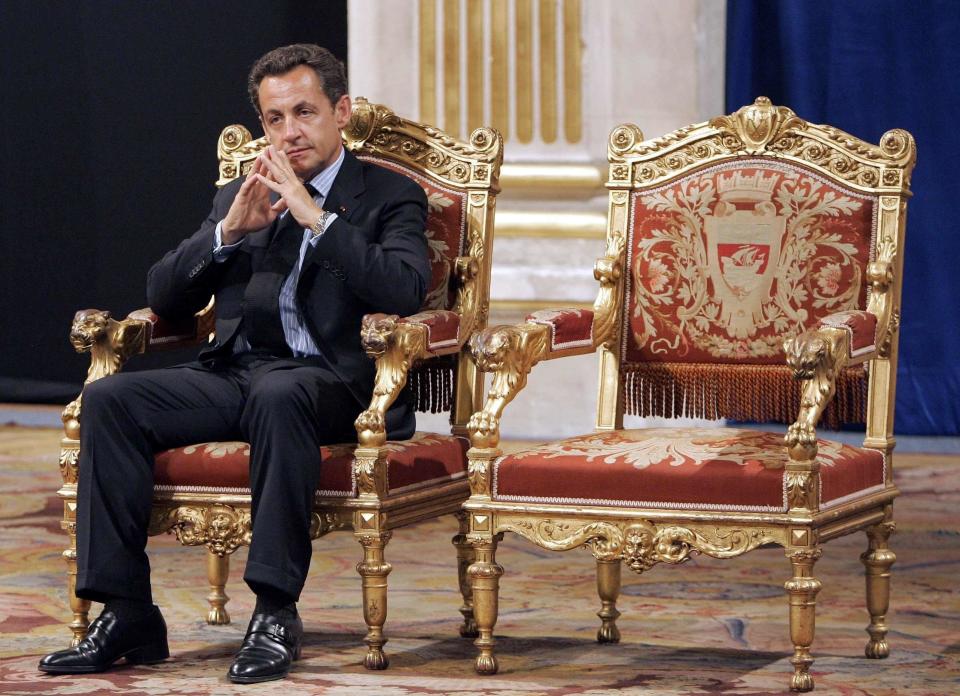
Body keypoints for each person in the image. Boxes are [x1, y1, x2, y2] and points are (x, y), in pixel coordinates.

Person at [39, 43, 430, 684]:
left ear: (343, 111)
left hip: (333, 383)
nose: (289, 132)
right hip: (237, 373)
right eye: (274, 119)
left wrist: (317, 219)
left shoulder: (389, 194)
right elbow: (165, 295)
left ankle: (275, 612)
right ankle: (128, 611)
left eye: (304, 113)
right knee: (110, 402)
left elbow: (403, 289)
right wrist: (227, 235)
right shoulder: (242, 191)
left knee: (280, 395)